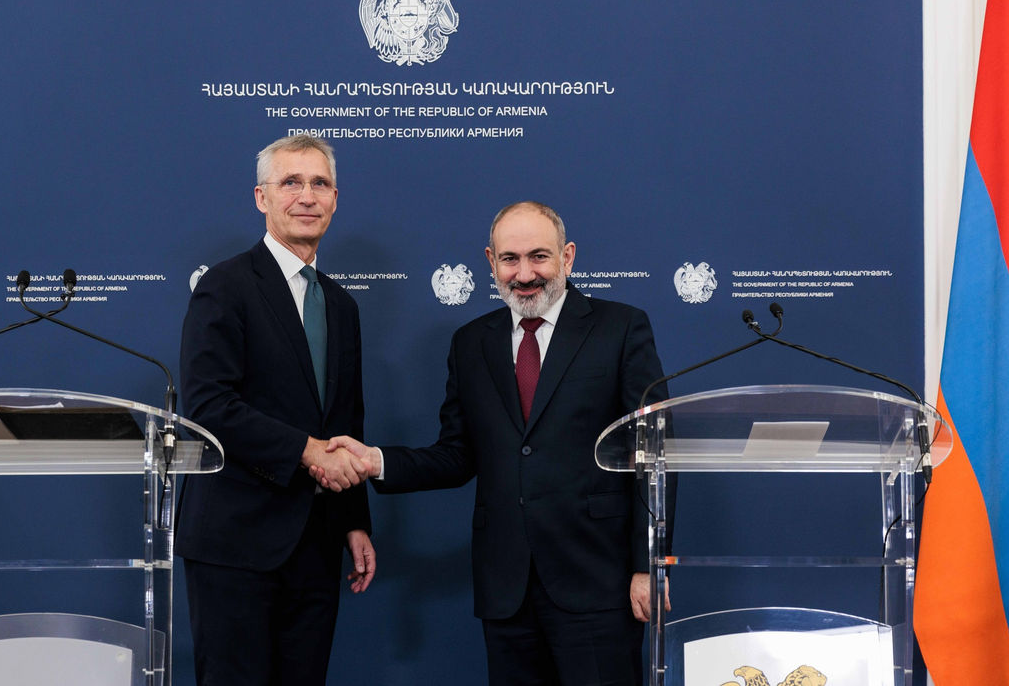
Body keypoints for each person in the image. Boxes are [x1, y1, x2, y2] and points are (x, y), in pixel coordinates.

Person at [322, 201, 670, 686]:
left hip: (599, 582)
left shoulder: (621, 327)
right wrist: (376, 461)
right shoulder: (471, 343)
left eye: (539, 257)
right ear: (490, 262)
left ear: (568, 257)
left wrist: (647, 566)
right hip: (507, 589)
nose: (525, 273)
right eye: (510, 259)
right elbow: (457, 455)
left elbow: (652, 454)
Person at [177, 134, 375, 686]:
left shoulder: (342, 304)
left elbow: (345, 423)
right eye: (291, 182)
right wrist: (308, 452)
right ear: (261, 197)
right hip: (235, 541)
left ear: (335, 199)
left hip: (315, 541)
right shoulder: (225, 286)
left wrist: (354, 521)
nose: (306, 196)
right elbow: (210, 405)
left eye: (319, 183)